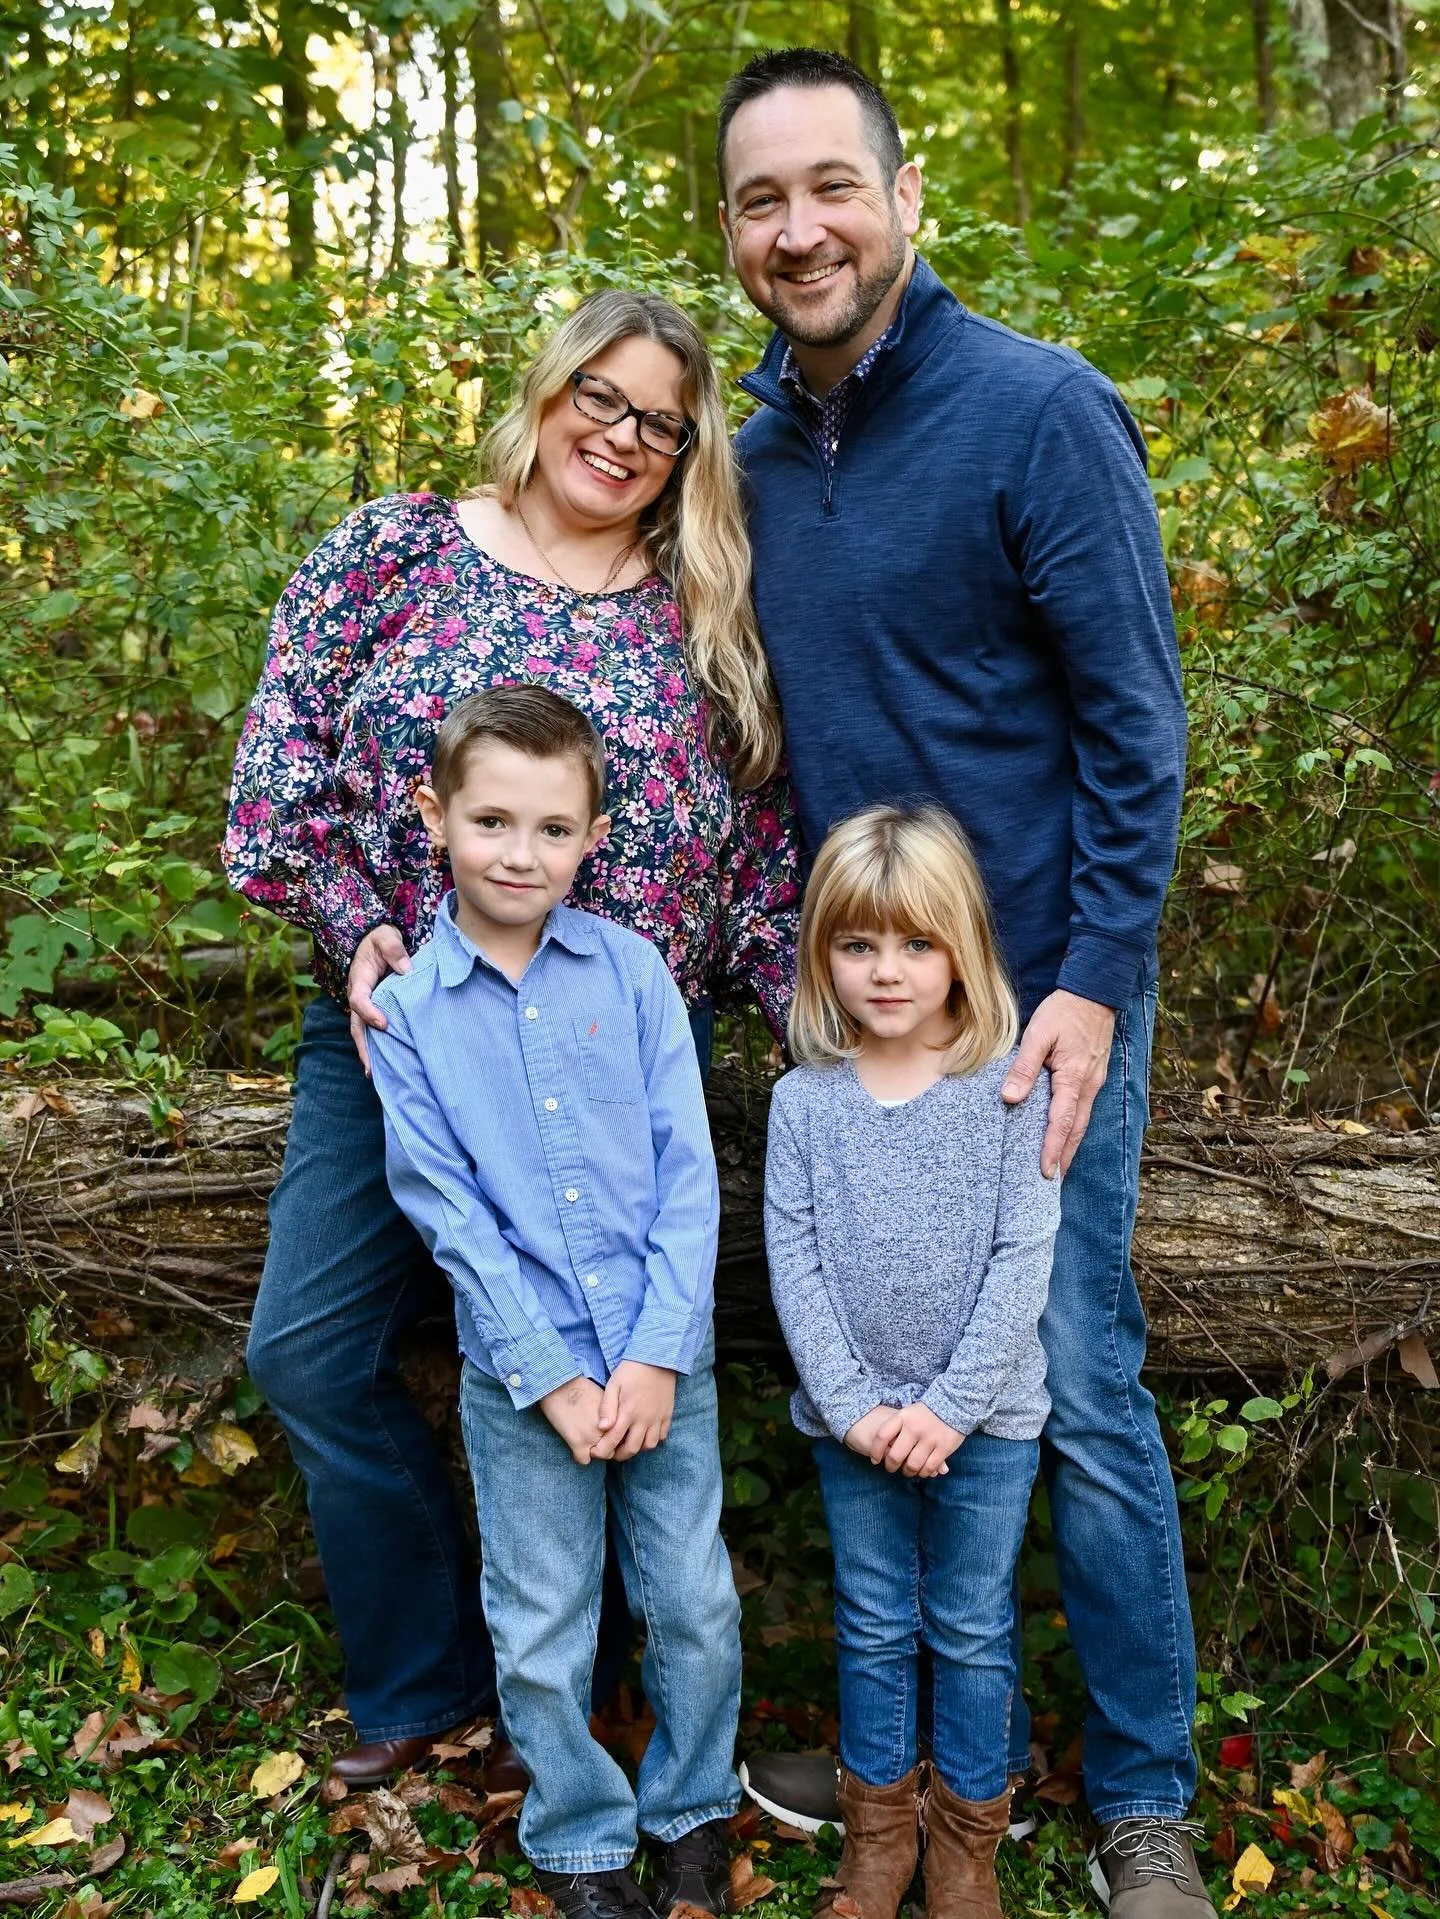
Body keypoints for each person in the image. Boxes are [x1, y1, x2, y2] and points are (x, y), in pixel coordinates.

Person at [717, 47, 1214, 1919]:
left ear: (906, 199)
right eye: (764, 200)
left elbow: (1136, 728)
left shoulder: (1037, 411)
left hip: (1043, 995)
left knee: (1068, 1368)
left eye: (833, 185)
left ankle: (1146, 1794)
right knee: (851, 1346)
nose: (802, 228)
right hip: (861, 1006)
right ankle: (896, 1740)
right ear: (735, 232)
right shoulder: (748, 460)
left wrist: (1094, 978)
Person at [223, 288, 797, 1785]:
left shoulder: (706, 608)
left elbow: (751, 853)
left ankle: (577, 1689)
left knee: (609, 1374)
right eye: (599, 397)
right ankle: (427, 1669)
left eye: (660, 421)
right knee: (303, 1348)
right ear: (546, 390)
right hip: (405, 1033)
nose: (620, 436)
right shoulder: (392, 553)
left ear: (688, 451)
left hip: (615, 1068)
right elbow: (279, 781)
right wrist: (358, 922)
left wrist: (834, 1011)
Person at [367, 686, 739, 1919]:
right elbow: (449, 1215)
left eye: (553, 828)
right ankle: (581, 1836)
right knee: (541, 1618)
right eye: (491, 822)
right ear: (434, 816)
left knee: (691, 1598)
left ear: (592, 834)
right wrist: (554, 1375)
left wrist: (653, 1357)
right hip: (523, 1378)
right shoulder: (411, 1013)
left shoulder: (631, 973)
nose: (520, 854)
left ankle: (690, 1811)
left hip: (656, 1355)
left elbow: (689, 1171)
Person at [766, 804, 1060, 1919]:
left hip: (982, 1426)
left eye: (917, 943)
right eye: (858, 944)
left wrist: (947, 1409)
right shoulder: (806, 1103)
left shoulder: (1005, 1090)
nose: (887, 971)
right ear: (822, 954)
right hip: (857, 1427)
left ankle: (966, 1855)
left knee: (973, 1624)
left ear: (962, 950)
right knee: (875, 1618)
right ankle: (879, 1840)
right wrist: (853, 1407)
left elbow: (1020, 1260)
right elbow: (793, 1259)